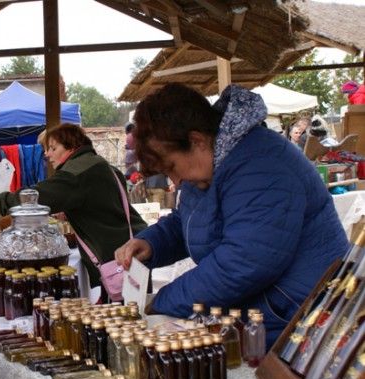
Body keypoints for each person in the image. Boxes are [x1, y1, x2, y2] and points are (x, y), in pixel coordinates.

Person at [114, 83, 349, 347]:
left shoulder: (262, 165)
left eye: (172, 167)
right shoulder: (210, 165)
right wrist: (152, 243)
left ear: (197, 141)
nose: (175, 181)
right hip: (268, 314)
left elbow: (243, 261)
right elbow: (190, 220)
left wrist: (164, 300)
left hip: (304, 322)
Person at [0, 123, 147, 299]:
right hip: (130, 247)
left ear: (71, 146)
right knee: (135, 306)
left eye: (53, 148)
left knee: (124, 312)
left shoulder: (76, 174)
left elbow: (36, 197)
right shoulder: (99, 164)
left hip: (117, 258)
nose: (47, 154)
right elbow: (103, 206)